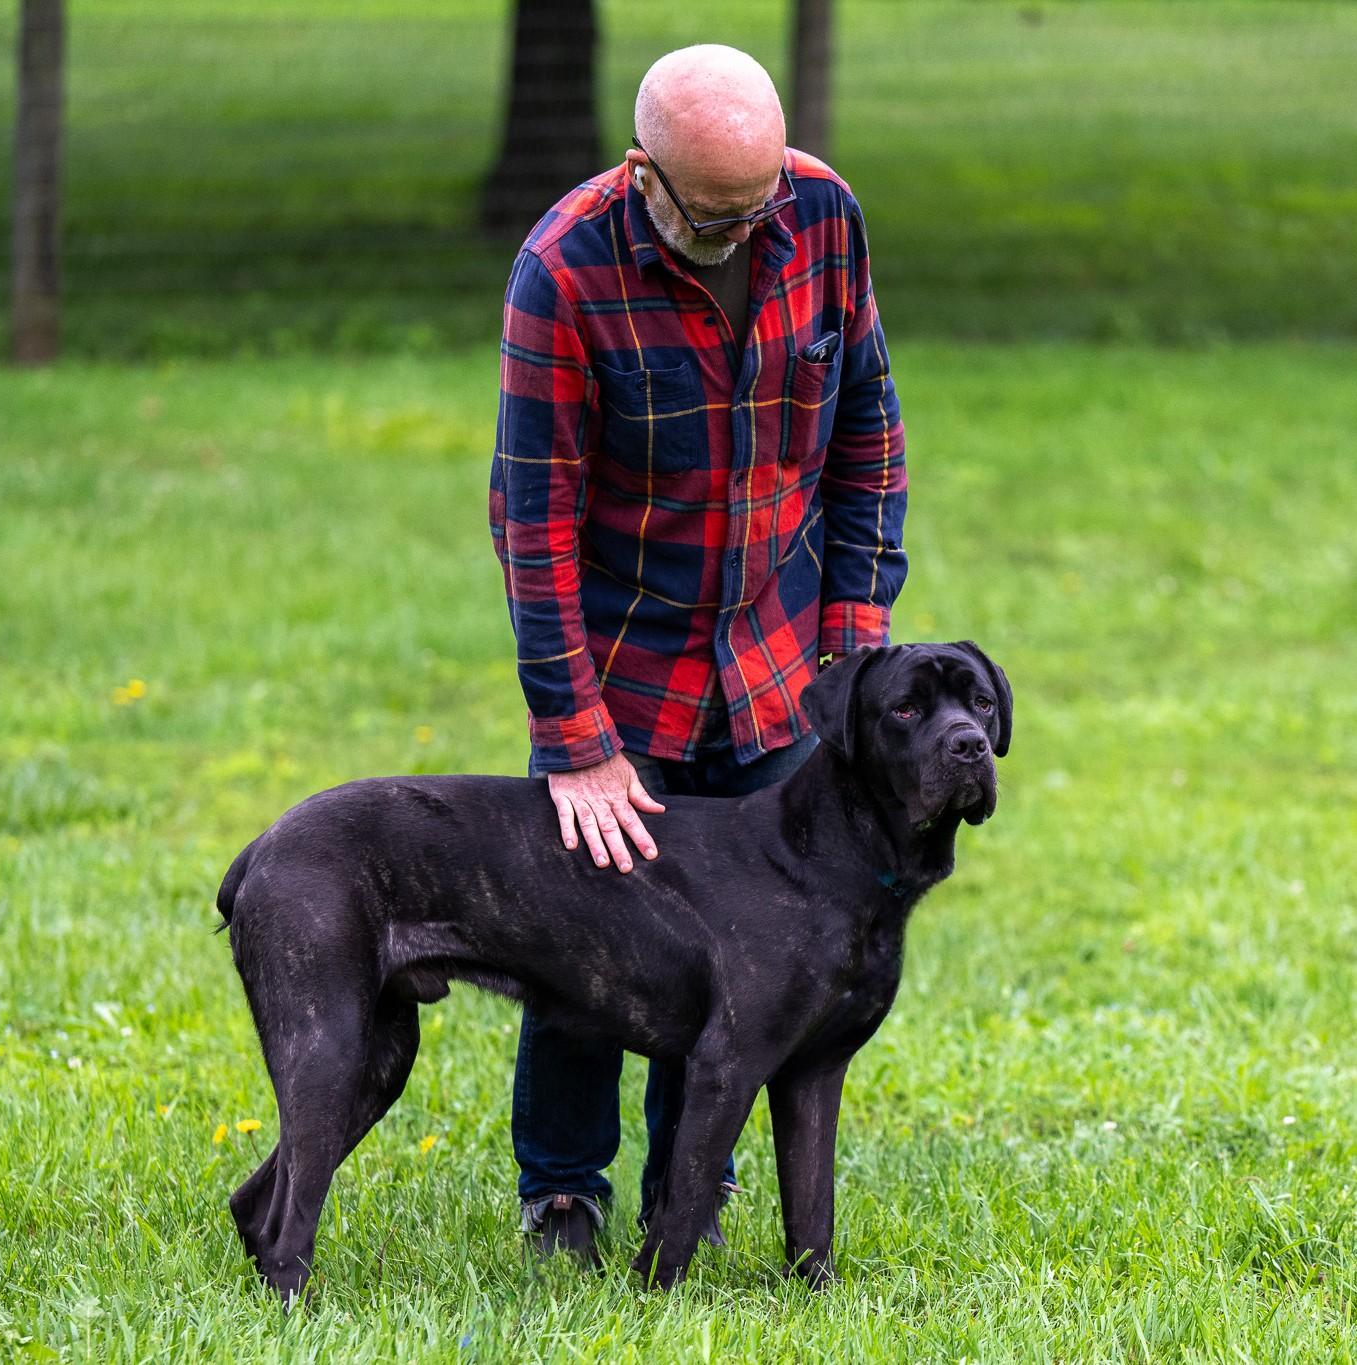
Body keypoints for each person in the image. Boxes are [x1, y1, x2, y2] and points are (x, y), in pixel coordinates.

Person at [489, 43, 907, 1260]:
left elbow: (869, 432)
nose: (746, 230)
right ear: (644, 174)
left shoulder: (820, 213)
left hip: (778, 659)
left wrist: (852, 653)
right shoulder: (563, 273)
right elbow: (535, 524)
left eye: (759, 203)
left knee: (754, 943)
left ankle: (696, 1183)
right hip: (623, 671)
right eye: (716, 215)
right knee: (585, 944)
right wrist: (576, 744)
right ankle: (563, 1192)